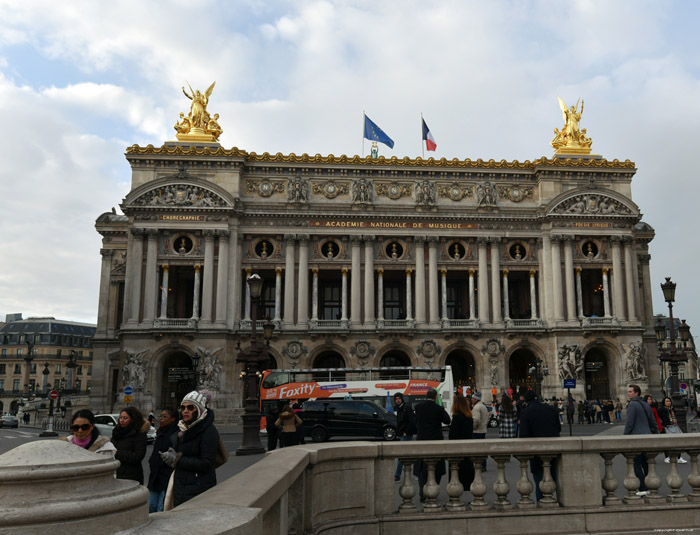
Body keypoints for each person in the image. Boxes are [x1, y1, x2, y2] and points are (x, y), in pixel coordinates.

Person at [161, 391, 221, 509]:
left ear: (199, 409)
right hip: (182, 486)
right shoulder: (184, 429)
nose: (185, 411)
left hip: (199, 487)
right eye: (183, 407)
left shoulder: (209, 431)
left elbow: (207, 463)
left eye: (190, 407)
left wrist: (177, 459)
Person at [519, 390, 561, 501]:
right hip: (553, 450)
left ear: (526, 402)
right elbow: (558, 429)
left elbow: (523, 435)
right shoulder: (551, 409)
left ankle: (543, 504)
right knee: (555, 479)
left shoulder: (526, 412)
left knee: (540, 483)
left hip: (536, 453)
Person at [413, 388, 451, 501]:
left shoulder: (418, 407)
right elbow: (447, 421)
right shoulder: (439, 409)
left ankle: (422, 492)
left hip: (422, 440)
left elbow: (415, 421)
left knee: (422, 469)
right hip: (436, 441)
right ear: (435, 397)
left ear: (426, 396)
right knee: (437, 468)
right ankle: (433, 489)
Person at [624, 384, 658, 496]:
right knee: (646, 463)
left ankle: (643, 488)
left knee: (636, 463)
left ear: (636, 393)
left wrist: (624, 437)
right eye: (628, 392)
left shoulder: (632, 405)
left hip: (637, 438)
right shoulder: (646, 404)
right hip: (647, 437)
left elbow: (629, 424)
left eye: (630, 392)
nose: (628, 393)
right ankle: (650, 485)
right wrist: (656, 435)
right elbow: (653, 422)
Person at [147, 408, 179, 513]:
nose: (161, 419)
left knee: (162, 508)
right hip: (155, 477)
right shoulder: (160, 432)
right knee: (151, 507)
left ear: (173, 419)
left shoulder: (176, 435)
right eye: (160, 416)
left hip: (167, 477)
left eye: (164, 417)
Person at [111, 406, 148, 484]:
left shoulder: (139, 434)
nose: (122, 420)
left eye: (125, 418)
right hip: (115, 473)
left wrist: (117, 453)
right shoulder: (117, 431)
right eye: (120, 417)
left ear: (132, 419)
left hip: (131, 475)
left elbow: (138, 456)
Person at [448, 394, 475, 491]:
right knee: (467, 473)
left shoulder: (457, 418)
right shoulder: (469, 417)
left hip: (457, 449)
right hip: (467, 448)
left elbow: (452, 436)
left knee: (456, 474)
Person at [393, 392, 416, 481]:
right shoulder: (400, 408)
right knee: (408, 455)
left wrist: (406, 432)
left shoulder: (406, 408)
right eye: (396, 399)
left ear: (402, 399)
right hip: (403, 434)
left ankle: (397, 475)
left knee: (402, 456)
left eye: (399, 398)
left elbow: (411, 421)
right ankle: (417, 472)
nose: (397, 400)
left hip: (406, 434)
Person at [657, 396, 687, 464]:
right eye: (667, 401)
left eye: (669, 401)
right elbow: (657, 418)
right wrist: (661, 425)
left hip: (674, 426)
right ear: (663, 403)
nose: (668, 402)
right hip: (666, 428)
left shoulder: (672, 409)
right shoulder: (661, 410)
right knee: (666, 443)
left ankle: (679, 457)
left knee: (677, 442)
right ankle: (667, 457)